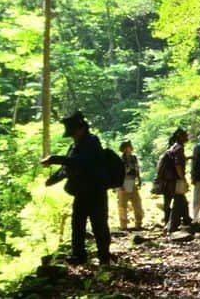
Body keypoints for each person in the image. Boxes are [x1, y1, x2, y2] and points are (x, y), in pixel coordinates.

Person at [41, 111, 112, 265]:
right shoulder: (75, 145)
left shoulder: (92, 142)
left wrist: (55, 159)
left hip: (96, 192)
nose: (73, 136)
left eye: (74, 132)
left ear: (81, 129)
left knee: (99, 225)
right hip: (81, 192)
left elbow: (81, 162)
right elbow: (68, 166)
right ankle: (79, 256)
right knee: (77, 224)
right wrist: (52, 180)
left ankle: (104, 258)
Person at [160, 128, 191, 232]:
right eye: (185, 135)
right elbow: (177, 165)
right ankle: (173, 225)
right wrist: (183, 179)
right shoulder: (179, 148)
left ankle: (184, 220)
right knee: (179, 200)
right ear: (181, 137)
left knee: (173, 201)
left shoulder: (173, 147)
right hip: (175, 180)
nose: (187, 137)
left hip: (168, 180)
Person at [117, 140, 144, 231]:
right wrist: (121, 185)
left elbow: (137, 169)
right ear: (125, 148)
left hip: (132, 181)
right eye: (129, 146)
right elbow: (119, 173)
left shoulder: (134, 158)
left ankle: (138, 223)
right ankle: (123, 225)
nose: (131, 147)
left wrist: (139, 180)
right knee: (123, 205)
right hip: (125, 181)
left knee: (137, 203)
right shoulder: (121, 159)